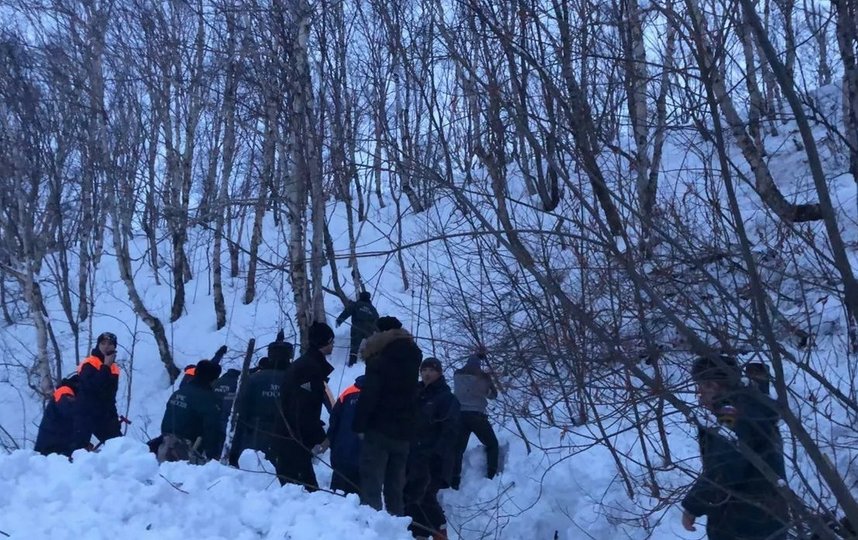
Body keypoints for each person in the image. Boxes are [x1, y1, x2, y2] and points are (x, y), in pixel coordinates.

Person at [681, 354, 789, 540]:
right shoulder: (753, 404)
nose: (699, 394)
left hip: (743, 524)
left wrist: (694, 505)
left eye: (701, 386)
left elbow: (725, 465)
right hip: (766, 519)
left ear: (713, 385)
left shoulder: (731, 413)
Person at [354, 315, 422, 515]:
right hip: (403, 432)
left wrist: (359, 425)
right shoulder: (413, 356)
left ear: (382, 333)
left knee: (371, 484)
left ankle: (371, 529)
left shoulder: (379, 358)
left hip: (379, 430)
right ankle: (396, 530)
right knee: (395, 488)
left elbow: (370, 394)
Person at [405, 357, 460, 540]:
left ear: (439, 373)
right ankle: (418, 534)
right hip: (413, 457)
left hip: (434, 458)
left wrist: (437, 454)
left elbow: (450, 431)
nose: (427, 374)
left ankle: (440, 533)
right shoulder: (416, 394)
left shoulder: (446, 398)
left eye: (431, 370)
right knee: (410, 498)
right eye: (424, 370)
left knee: (426, 496)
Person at [276, 322, 335, 489]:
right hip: (294, 436)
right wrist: (318, 436)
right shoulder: (309, 368)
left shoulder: (307, 364)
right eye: (331, 342)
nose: (333, 346)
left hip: (293, 433)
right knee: (303, 487)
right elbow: (304, 407)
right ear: (324, 343)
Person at [229, 337, 294, 466]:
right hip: (285, 440)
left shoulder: (253, 379)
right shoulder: (295, 380)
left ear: (269, 355)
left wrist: (234, 452)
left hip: (253, 440)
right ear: (290, 355)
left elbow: (240, 415)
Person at [158, 360, 224, 464]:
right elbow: (211, 429)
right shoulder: (208, 399)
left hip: (163, 446)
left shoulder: (179, 392)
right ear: (212, 379)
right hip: (186, 452)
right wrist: (213, 456)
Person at [451, 351, 499, 488]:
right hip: (477, 416)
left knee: (458, 449)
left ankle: (454, 480)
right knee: (492, 444)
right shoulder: (483, 377)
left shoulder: (457, 375)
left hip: (459, 415)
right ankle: (491, 474)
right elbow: (493, 395)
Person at [76, 332, 122, 447]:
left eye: (110, 344)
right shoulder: (89, 363)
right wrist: (105, 366)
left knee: (118, 446)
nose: (106, 346)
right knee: (79, 450)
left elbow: (110, 397)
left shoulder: (114, 367)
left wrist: (114, 420)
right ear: (98, 345)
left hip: (104, 414)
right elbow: (92, 387)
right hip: (86, 413)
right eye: (103, 343)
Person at [326, 375, 365, 495]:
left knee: (337, 495)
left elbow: (334, 420)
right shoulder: (378, 395)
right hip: (364, 456)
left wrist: (332, 442)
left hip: (342, 452)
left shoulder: (347, 393)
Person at [34, 374, 83, 457]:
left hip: (54, 443)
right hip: (52, 446)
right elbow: (68, 412)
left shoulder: (63, 392)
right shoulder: (64, 391)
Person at [336, 291, 379, 366]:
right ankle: (371, 360)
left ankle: (352, 362)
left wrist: (339, 320)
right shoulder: (373, 309)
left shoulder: (356, 305)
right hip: (369, 330)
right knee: (370, 344)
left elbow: (347, 312)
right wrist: (378, 331)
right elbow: (377, 320)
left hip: (356, 327)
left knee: (354, 345)